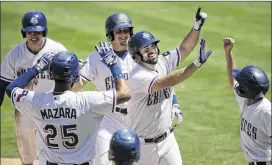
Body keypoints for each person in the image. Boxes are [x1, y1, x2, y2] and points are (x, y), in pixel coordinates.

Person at [73, 7, 207, 164]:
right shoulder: (98, 57)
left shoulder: (143, 57)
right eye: (119, 32)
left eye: (126, 31)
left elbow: (165, 78)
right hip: (112, 119)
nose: (124, 35)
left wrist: (174, 102)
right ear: (110, 34)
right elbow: (77, 85)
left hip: (138, 122)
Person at [5, 40, 131, 165]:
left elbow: (11, 89)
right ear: (76, 77)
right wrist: (113, 64)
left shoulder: (37, 101)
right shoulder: (88, 102)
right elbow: (124, 94)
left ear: (50, 74)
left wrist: (36, 68)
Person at [126, 30, 212, 165]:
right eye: (146, 49)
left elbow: (185, 48)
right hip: (143, 149)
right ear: (136, 55)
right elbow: (167, 81)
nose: (152, 51)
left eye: (153, 46)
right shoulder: (138, 77)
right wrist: (196, 64)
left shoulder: (162, 61)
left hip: (167, 141)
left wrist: (196, 27)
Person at [0, 11, 67, 165]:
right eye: (30, 31)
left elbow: (73, 78)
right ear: (24, 32)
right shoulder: (14, 55)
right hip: (24, 111)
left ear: (44, 31)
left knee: (54, 156)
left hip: (52, 109)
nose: (34, 35)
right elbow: (3, 84)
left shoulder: (57, 50)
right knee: (28, 158)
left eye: (38, 31)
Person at [223, 37, 271, 165]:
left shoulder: (266, 111)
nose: (238, 84)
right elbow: (232, 80)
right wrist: (228, 53)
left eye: (242, 83)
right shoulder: (247, 100)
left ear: (247, 90)